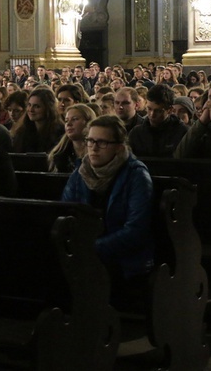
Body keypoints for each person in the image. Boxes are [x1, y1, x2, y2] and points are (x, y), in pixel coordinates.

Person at [61, 115, 154, 310]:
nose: (93, 147)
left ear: (119, 147)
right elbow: (67, 211)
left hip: (123, 258)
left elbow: (136, 230)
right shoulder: (81, 172)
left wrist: (93, 247)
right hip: (86, 249)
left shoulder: (136, 175)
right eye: (91, 141)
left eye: (102, 142)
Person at [128, 84, 189, 158]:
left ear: (170, 110)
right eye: (149, 109)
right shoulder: (136, 133)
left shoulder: (181, 132)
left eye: (158, 111)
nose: (152, 115)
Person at [12, 88, 64, 153]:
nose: (31, 110)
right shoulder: (22, 131)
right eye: (29, 105)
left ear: (48, 108)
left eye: (36, 106)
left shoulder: (60, 133)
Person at [48, 103, 96, 172]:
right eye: (66, 120)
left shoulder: (96, 152)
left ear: (88, 122)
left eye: (75, 119)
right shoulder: (59, 154)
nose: (69, 124)